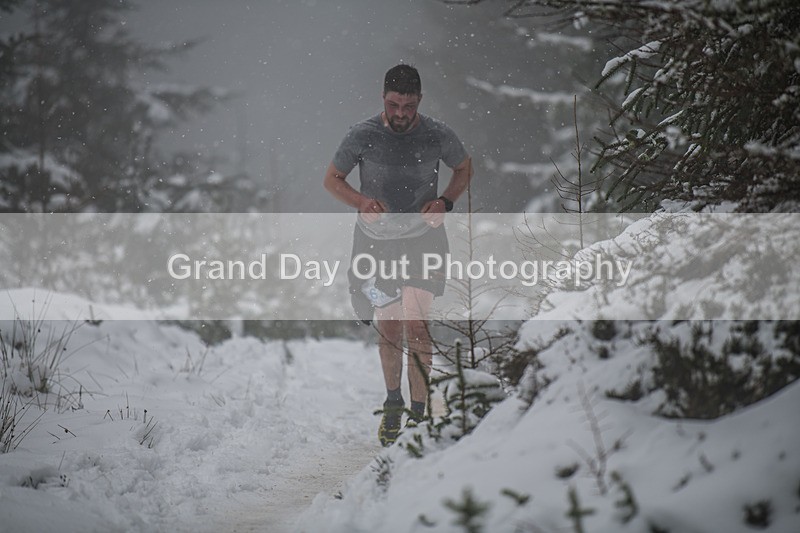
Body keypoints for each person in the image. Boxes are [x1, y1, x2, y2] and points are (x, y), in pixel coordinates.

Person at [323, 64, 472, 446]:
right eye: (394, 105)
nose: (401, 113)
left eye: (408, 105)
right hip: (375, 242)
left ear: (419, 101)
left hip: (424, 239)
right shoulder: (363, 134)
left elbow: (464, 167)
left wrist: (445, 202)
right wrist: (360, 201)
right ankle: (393, 404)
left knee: (417, 325)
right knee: (389, 326)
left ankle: (419, 416)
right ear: (383, 100)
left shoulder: (437, 134)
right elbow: (331, 179)